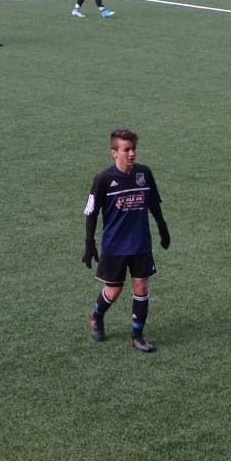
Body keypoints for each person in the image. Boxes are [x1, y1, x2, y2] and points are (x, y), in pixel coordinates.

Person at [83, 128, 170, 353]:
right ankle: (97, 315)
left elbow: (154, 203)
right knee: (114, 291)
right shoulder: (103, 179)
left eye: (134, 149)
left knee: (141, 286)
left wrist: (163, 228)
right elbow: (91, 213)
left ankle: (137, 336)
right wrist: (89, 244)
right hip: (115, 245)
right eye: (126, 150)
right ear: (114, 152)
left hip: (140, 242)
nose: (132, 154)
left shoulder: (144, 173)